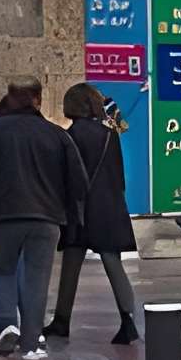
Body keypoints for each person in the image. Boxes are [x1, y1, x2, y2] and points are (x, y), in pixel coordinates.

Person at [0, 75, 88, 360]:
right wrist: (68, 217)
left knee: (2, 270)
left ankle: (8, 321)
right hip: (46, 218)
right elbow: (78, 182)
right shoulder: (56, 135)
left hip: (3, 216)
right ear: (38, 99)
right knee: (37, 278)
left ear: (9, 97)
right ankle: (31, 343)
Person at [44, 84, 140, 345]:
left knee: (71, 263)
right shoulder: (110, 135)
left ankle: (61, 320)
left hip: (79, 209)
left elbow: (66, 177)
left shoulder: (69, 137)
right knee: (113, 262)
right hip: (108, 206)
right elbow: (119, 175)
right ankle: (128, 320)